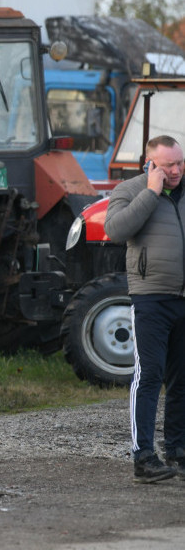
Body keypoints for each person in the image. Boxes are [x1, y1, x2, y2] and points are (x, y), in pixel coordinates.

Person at [105, 134, 185, 484]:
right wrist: (152, 192)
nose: (177, 170)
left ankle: (178, 451)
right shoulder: (130, 190)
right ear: (151, 163)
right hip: (151, 296)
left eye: (180, 163)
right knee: (149, 374)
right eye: (169, 165)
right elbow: (115, 229)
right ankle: (144, 457)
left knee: (182, 379)